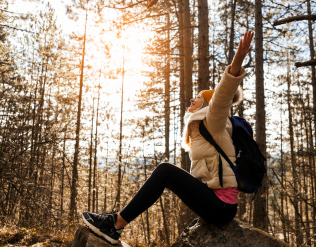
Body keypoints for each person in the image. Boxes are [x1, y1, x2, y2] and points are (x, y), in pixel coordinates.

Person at [82, 30, 254, 244]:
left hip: (222, 206)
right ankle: (115, 220)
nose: (192, 99)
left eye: (199, 97)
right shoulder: (202, 128)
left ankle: (115, 224)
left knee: (165, 171)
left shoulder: (215, 120)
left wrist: (238, 58)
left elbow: (224, 93)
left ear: (210, 105)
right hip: (214, 201)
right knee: (166, 172)